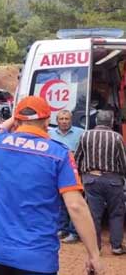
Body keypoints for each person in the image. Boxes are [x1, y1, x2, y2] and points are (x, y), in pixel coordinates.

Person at [0, 96, 102, 275]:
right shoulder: (59, 154)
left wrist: (11, 121)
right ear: (47, 121)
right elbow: (75, 206)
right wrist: (93, 254)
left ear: (17, 121)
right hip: (37, 258)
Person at [75, 109, 126, 255]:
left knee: (93, 214)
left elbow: (78, 157)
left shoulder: (85, 135)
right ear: (111, 122)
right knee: (116, 213)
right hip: (113, 180)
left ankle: (95, 248)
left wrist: (80, 175)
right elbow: (122, 161)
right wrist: (121, 177)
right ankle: (116, 247)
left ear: (96, 121)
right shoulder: (117, 137)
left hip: (91, 179)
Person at [48, 110, 84, 244]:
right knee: (60, 203)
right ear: (57, 121)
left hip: (74, 173)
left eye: (67, 119)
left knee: (74, 203)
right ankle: (62, 228)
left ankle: (74, 232)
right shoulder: (50, 134)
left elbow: (83, 152)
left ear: (71, 120)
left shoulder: (80, 133)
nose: (64, 121)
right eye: (61, 119)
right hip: (56, 173)